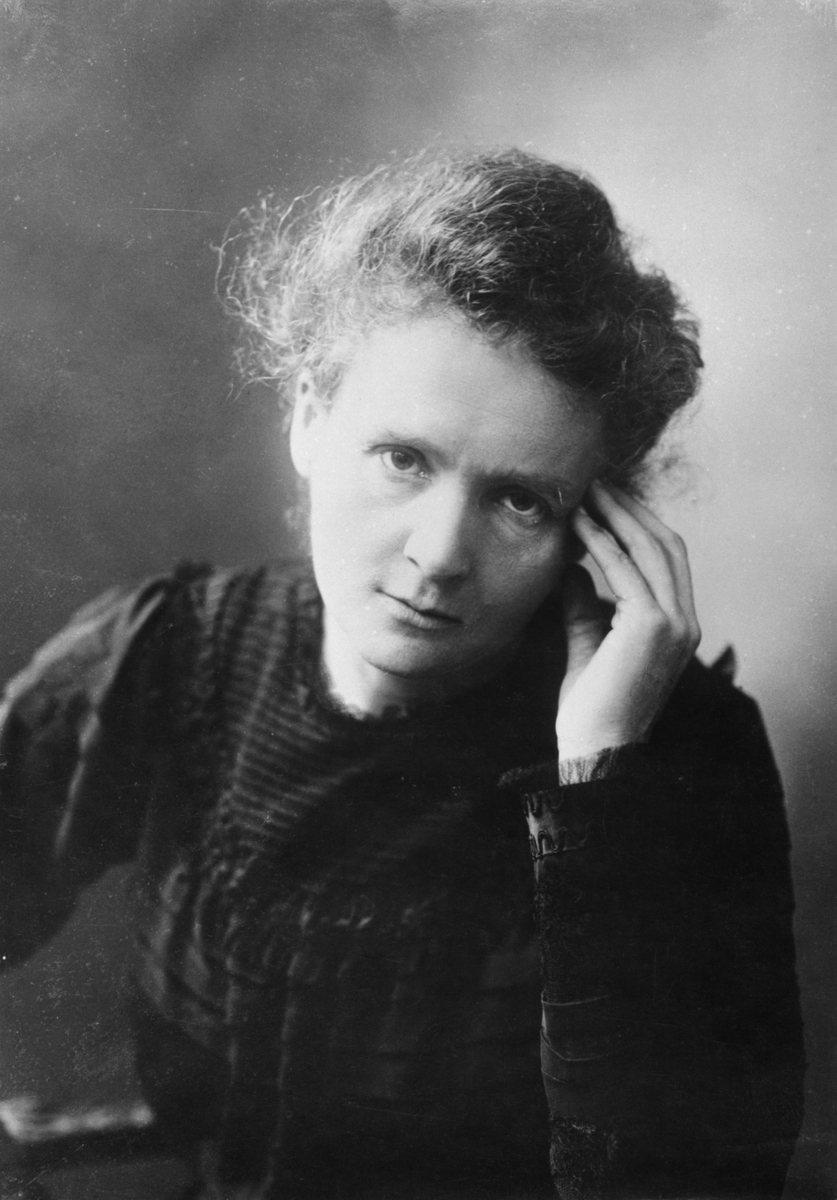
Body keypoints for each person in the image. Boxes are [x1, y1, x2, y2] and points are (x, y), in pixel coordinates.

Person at [0, 149, 805, 1199]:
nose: (439, 555)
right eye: (403, 460)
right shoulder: (169, 654)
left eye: (520, 500)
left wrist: (597, 780)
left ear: (597, 524)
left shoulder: (682, 753)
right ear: (307, 419)